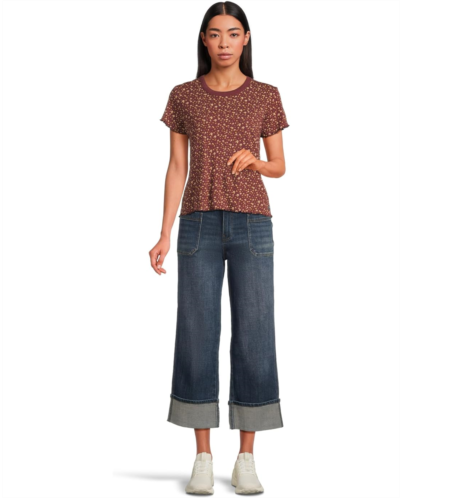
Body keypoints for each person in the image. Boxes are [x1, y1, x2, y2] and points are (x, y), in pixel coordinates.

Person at [149, 1, 290, 494]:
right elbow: (176, 167)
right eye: (215, 33)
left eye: (233, 33)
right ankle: (203, 457)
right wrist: (164, 232)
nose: (224, 42)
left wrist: (256, 161)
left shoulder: (266, 95)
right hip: (198, 225)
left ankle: (246, 458)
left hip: (253, 225)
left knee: (255, 333)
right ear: (204, 40)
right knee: (196, 332)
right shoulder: (183, 95)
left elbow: (280, 166)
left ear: (246, 39)